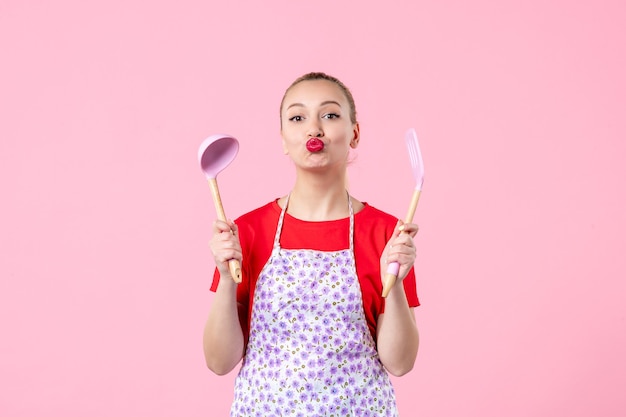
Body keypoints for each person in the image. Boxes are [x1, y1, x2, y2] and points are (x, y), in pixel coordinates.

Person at [203, 72, 420, 416]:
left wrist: (394, 284)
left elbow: (400, 362)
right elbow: (219, 361)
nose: (314, 128)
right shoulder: (246, 232)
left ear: (354, 133)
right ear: (283, 139)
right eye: (297, 117)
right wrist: (227, 279)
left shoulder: (387, 235)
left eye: (330, 115)